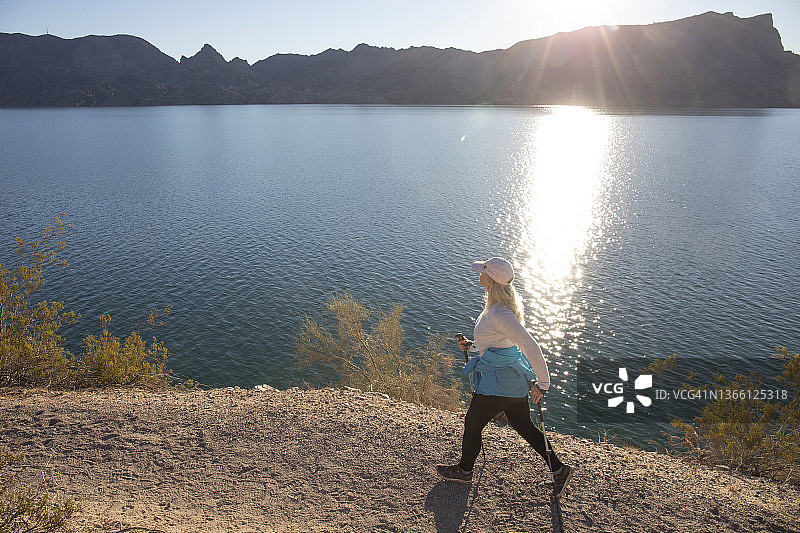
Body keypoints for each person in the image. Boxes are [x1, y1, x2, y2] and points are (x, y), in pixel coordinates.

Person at [436, 257, 574, 498]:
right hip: (510, 381)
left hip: (498, 384)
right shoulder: (498, 308)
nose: (479, 274)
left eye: (482, 272)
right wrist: (473, 345)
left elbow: (530, 346)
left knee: (473, 422)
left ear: (490, 279)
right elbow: (498, 343)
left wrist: (543, 384)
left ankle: (465, 471)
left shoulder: (500, 313)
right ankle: (559, 470)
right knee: (525, 427)